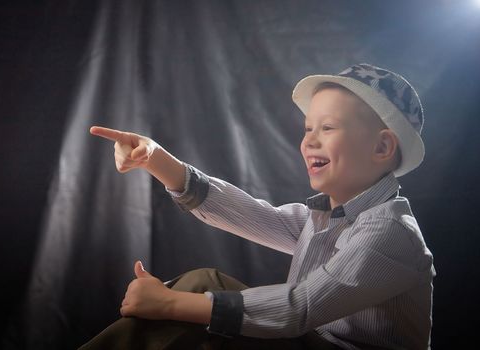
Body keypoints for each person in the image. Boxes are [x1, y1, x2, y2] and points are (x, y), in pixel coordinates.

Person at [79, 63, 435, 350]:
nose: (308, 140)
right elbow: (249, 213)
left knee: (197, 299)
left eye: (327, 128)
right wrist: (155, 159)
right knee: (201, 290)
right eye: (308, 128)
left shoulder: (390, 232)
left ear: (382, 148)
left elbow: (301, 306)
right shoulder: (324, 218)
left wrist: (170, 304)